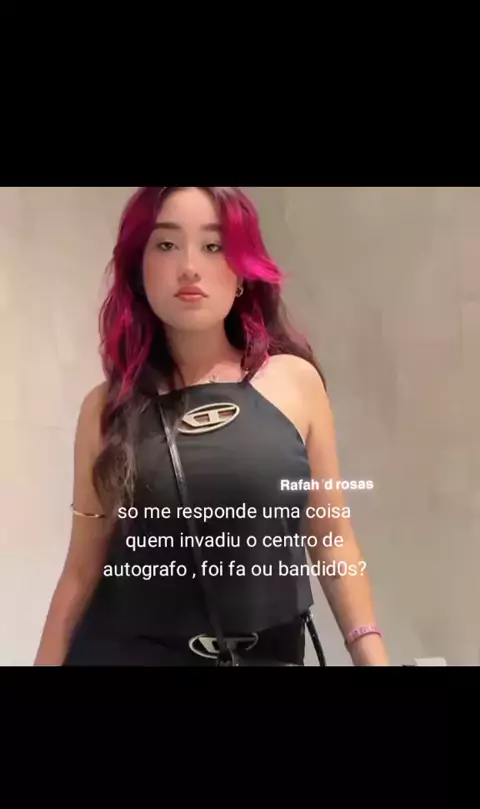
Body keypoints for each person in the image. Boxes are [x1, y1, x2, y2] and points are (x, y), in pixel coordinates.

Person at [34, 186, 389, 667]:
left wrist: (369, 651)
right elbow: (81, 570)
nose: (189, 266)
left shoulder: (294, 383)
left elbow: (331, 537)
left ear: (242, 269)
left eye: (213, 245)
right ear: (139, 269)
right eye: (166, 245)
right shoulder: (106, 410)